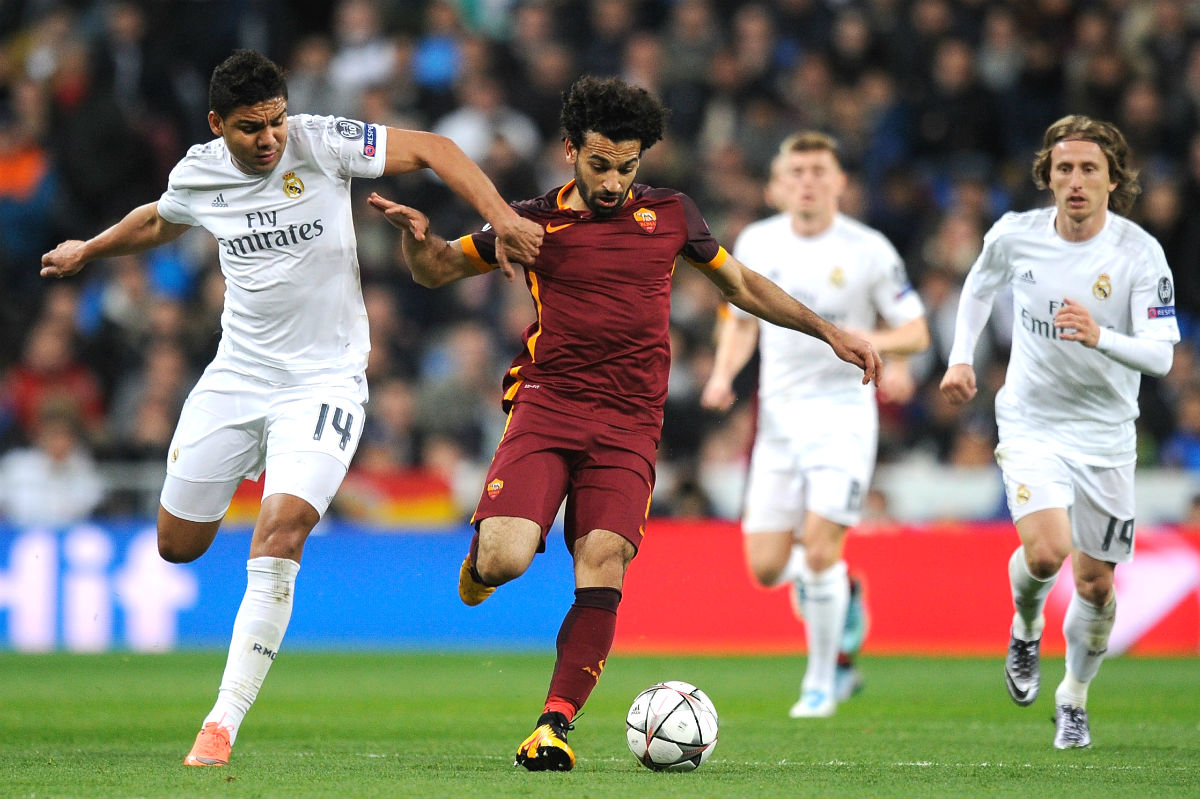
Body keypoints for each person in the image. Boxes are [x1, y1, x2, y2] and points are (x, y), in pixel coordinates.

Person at [39, 49, 543, 767]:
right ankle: (257, 462)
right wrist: (87, 250)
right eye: (251, 128)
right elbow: (161, 219)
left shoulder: (321, 140)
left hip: (325, 382)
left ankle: (220, 724)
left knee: (281, 532)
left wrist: (503, 220)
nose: (271, 139)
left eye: (276, 120)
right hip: (237, 378)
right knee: (176, 544)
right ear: (218, 125)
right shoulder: (200, 171)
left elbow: (435, 148)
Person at [367, 75, 881, 771]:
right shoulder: (529, 221)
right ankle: (482, 565)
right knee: (504, 558)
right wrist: (418, 242)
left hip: (630, 422)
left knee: (603, 562)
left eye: (628, 167)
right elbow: (438, 271)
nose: (613, 183)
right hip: (547, 405)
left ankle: (553, 724)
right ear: (570, 148)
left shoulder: (671, 214)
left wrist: (829, 331)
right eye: (600, 165)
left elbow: (743, 285)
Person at [939, 115, 1179, 749]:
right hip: (1032, 419)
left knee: (1097, 584)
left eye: (1090, 169)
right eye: (1065, 168)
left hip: (1105, 433)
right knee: (1047, 553)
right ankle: (1024, 625)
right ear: (1048, 175)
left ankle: (1074, 696)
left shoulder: (1139, 254)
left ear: (1112, 180)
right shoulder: (1015, 236)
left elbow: (1161, 356)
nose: (1076, 181)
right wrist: (961, 356)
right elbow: (978, 287)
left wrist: (1100, 335)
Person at [700, 131, 929, 718]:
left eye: (818, 170)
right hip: (776, 421)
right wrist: (724, 375)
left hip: (842, 419)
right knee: (767, 567)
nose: (807, 180)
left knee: (822, 551)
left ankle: (823, 682)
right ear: (776, 185)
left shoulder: (869, 249)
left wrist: (870, 345)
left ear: (839, 182)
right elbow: (740, 319)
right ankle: (844, 594)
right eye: (796, 169)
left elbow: (916, 331)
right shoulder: (756, 239)